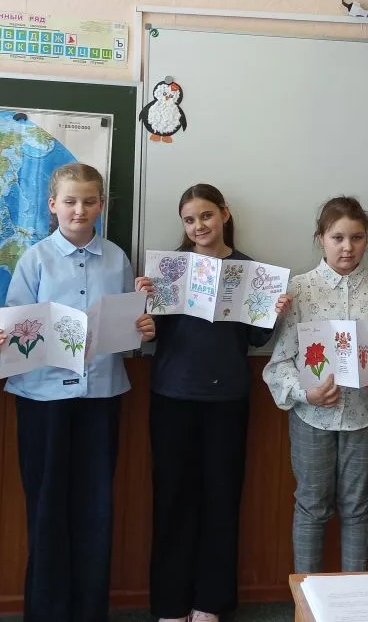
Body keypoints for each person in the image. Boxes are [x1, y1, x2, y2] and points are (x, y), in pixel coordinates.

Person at [0, 163, 154, 622]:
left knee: (95, 508)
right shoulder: (35, 258)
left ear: (101, 204)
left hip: (100, 396)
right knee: (47, 508)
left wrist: (143, 326)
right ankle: (47, 612)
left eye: (88, 201)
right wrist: (6, 335)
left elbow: (128, 325)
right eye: (70, 201)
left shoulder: (118, 259)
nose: (79, 209)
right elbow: (16, 320)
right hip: (42, 399)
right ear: (53, 205)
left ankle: (89, 611)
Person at [137, 184, 290, 622]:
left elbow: (256, 338)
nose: (198, 226)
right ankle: (170, 604)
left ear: (224, 214)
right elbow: (152, 335)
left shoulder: (250, 270)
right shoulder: (169, 269)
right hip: (173, 397)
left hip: (227, 399)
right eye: (189, 220)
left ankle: (211, 603)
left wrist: (273, 310)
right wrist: (145, 309)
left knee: (221, 500)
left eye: (206, 215)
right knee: (172, 501)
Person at [263, 196, 368, 573]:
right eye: (337, 237)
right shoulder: (299, 288)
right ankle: (307, 597)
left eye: (357, 237)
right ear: (321, 238)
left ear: (367, 239)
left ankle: (352, 597)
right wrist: (304, 393)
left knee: (358, 507)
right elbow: (281, 361)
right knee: (311, 506)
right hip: (312, 417)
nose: (347, 247)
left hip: (364, 416)